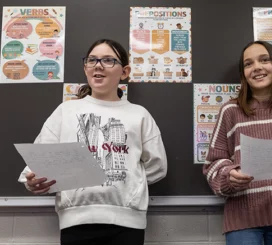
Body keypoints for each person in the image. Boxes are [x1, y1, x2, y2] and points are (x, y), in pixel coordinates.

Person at [18, 39, 168, 245]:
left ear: (124, 72)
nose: (98, 65)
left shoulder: (139, 115)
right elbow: (36, 165)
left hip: (128, 222)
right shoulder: (66, 112)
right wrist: (33, 181)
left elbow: (157, 166)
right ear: (85, 68)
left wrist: (130, 184)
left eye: (108, 60)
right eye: (92, 60)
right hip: (75, 221)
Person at [203, 40, 272, 245]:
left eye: (264, 60)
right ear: (243, 73)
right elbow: (212, 164)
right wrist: (229, 176)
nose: (257, 68)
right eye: (248, 64)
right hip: (242, 216)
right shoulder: (230, 110)